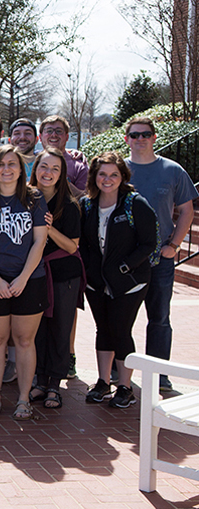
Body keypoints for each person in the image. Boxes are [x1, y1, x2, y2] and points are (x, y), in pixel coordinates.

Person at [0, 145, 48, 420]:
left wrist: (24, 278)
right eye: (1, 164)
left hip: (30, 280)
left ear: (21, 168)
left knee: (25, 340)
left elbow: (40, 240)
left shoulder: (34, 198)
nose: (6, 169)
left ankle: (24, 400)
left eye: (12, 164)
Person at [80, 151, 159, 408]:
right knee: (103, 329)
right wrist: (90, 271)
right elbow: (84, 244)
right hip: (97, 282)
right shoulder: (87, 205)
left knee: (120, 329)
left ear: (122, 176)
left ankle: (125, 387)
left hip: (130, 282)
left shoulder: (135, 203)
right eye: (102, 174)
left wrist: (126, 266)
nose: (107, 179)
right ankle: (103, 382)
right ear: (94, 176)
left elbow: (149, 243)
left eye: (114, 174)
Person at [124, 116, 196, 392]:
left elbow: (187, 210)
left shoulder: (172, 170)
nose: (140, 139)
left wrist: (174, 246)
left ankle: (159, 375)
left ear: (154, 137)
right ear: (127, 138)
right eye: (135, 134)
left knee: (159, 318)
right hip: (125, 260)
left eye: (145, 134)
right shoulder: (119, 170)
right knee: (121, 318)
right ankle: (122, 374)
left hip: (159, 260)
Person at [27, 148, 83, 409]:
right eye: (44, 167)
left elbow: (72, 247)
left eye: (55, 169)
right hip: (33, 273)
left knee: (60, 329)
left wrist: (49, 228)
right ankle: (39, 381)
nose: (48, 173)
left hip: (63, 275)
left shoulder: (69, 205)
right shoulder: (24, 199)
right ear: (35, 169)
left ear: (62, 175)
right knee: (37, 331)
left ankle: (54, 385)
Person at [39, 115, 88, 193]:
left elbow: (83, 198)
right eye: (49, 131)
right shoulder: (32, 159)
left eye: (59, 131)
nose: (54, 134)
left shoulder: (79, 165)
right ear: (40, 137)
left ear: (67, 137)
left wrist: (62, 180)